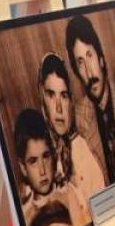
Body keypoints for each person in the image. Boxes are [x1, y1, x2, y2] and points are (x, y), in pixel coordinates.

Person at [13, 108, 91, 226]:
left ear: (53, 155)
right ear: (23, 167)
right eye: (33, 161)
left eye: (46, 156)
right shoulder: (25, 215)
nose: (42, 170)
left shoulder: (68, 194)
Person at [66, 14, 115, 184]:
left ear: (101, 59)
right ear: (77, 73)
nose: (89, 72)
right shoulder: (79, 119)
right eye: (80, 63)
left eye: (90, 56)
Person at [38, 52, 106, 201]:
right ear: (43, 100)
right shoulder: (40, 157)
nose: (59, 108)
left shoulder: (81, 150)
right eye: (51, 95)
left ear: (70, 101)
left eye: (64, 96)